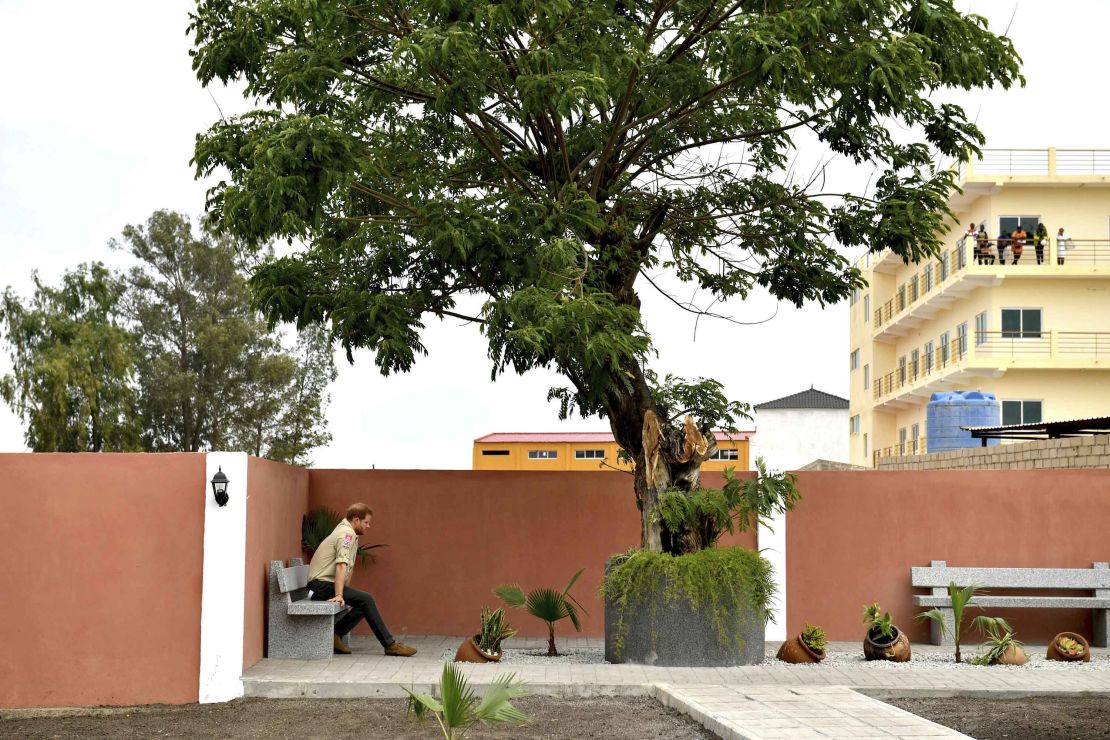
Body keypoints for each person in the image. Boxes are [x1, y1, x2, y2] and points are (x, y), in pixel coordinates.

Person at [307, 503, 417, 656]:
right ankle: (390, 645)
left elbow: (346, 568)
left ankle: (335, 634)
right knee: (366, 599)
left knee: (364, 602)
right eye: (366, 522)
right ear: (356, 520)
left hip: (321, 585)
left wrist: (346, 592)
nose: (369, 526)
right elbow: (341, 566)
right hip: (320, 586)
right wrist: (339, 594)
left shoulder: (345, 531)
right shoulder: (347, 534)